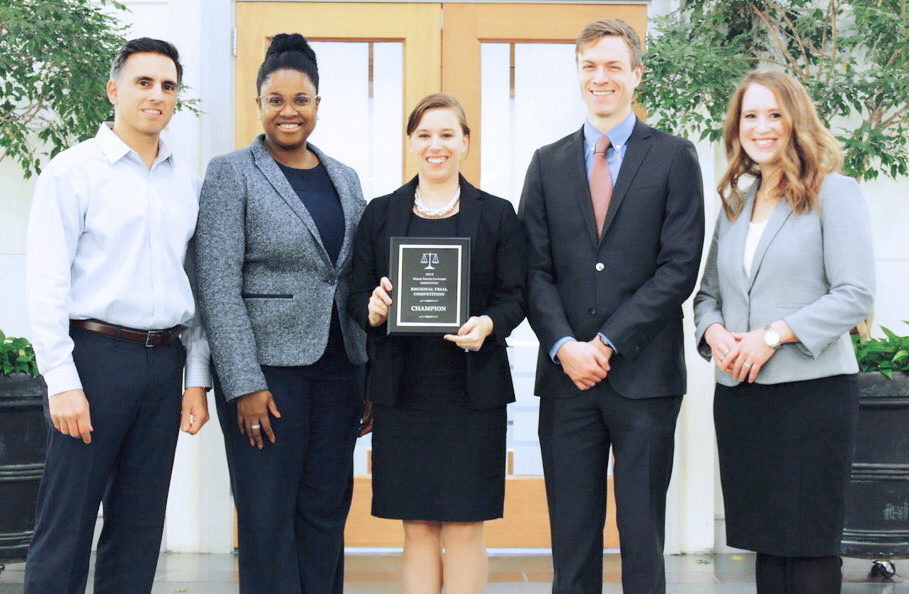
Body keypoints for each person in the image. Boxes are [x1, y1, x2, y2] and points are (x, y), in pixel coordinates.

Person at [518, 18, 705, 593]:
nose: (602, 78)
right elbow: (532, 269)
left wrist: (606, 342)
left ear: (636, 74)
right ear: (578, 74)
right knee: (571, 540)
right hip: (566, 379)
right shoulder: (546, 163)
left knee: (642, 536)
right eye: (590, 66)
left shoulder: (674, 157)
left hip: (644, 380)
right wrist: (565, 347)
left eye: (614, 66)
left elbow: (679, 268)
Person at [23, 38, 210, 593]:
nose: (157, 95)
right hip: (94, 361)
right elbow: (46, 283)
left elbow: (196, 290)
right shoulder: (73, 171)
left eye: (168, 85)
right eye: (143, 82)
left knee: (138, 526)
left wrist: (195, 380)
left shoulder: (189, 183)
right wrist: (61, 381)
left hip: (164, 363)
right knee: (67, 524)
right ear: (114, 89)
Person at [194, 33, 367, 593]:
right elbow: (216, 283)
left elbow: (354, 278)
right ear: (259, 103)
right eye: (276, 99)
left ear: (318, 104)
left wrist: (370, 377)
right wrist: (242, 382)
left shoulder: (345, 178)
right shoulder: (231, 173)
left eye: (301, 99)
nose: (289, 111)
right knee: (268, 519)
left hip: (340, 370)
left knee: (324, 513)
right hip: (266, 378)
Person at [693, 70, 875, 593]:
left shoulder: (834, 193)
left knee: (811, 546)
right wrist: (717, 334)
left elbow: (856, 294)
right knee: (767, 544)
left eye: (774, 114)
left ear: (796, 120)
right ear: (737, 128)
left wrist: (772, 335)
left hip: (812, 396)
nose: (762, 126)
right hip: (744, 399)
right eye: (751, 116)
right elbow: (708, 297)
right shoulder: (735, 205)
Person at [347, 93, 526, 594]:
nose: (436, 145)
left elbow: (515, 297)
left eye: (448, 134)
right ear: (410, 143)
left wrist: (488, 324)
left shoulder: (496, 215)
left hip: (472, 393)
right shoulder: (380, 214)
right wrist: (373, 310)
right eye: (424, 135)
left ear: (465, 142)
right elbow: (355, 294)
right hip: (403, 392)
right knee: (418, 526)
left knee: (466, 524)